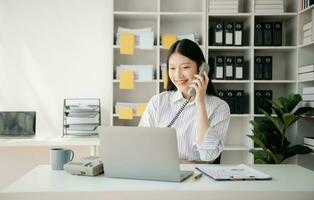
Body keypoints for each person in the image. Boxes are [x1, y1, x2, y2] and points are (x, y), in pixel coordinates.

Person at [139, 39, 230, 163]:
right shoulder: (158, 102)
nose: (177, 75)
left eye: (185, 67)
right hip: (161, 176)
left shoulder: (219, 107)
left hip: (199, 178)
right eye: (172, 68)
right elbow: (141, 147)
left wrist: (200, 104)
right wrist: (185, 163)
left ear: (201, 69)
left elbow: (209, 155)